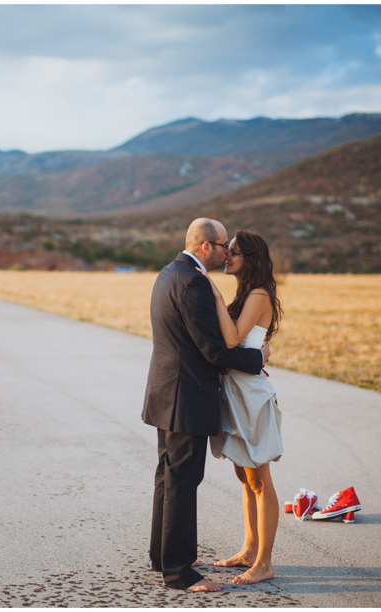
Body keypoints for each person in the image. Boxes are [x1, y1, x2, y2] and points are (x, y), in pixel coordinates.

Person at [142, 218, 270, 592]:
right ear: (205, 247)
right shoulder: (194, 282)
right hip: (187, 397)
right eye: (223, 244)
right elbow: (213, 350)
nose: (227, 250)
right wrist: (257, 360)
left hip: (165, 393)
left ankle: (161, 555)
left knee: (168, 476)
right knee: (182, 481)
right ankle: (180, 572)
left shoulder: (169, 273)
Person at [199, 229, 283, 586]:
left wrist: (214, 296)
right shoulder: (247, 292)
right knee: (244, 475)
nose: (227, 256)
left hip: (250, 395)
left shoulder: (260, 293)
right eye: (226, 250)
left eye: (233, 252)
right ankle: (249, 551)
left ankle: (264, 563)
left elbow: (232, 339)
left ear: (249, 257)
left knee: (260, 478)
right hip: (233, 390)